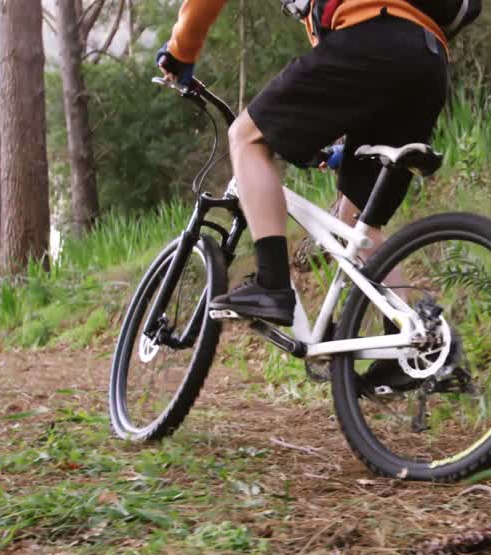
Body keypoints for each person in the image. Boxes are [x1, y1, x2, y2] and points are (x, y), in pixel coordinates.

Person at [156, 0, 450, 327]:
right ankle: (408, 345)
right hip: (428, 59)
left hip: (372, 37)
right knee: (359, 223)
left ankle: (272, 285)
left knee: (246, 137)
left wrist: (181, 50)